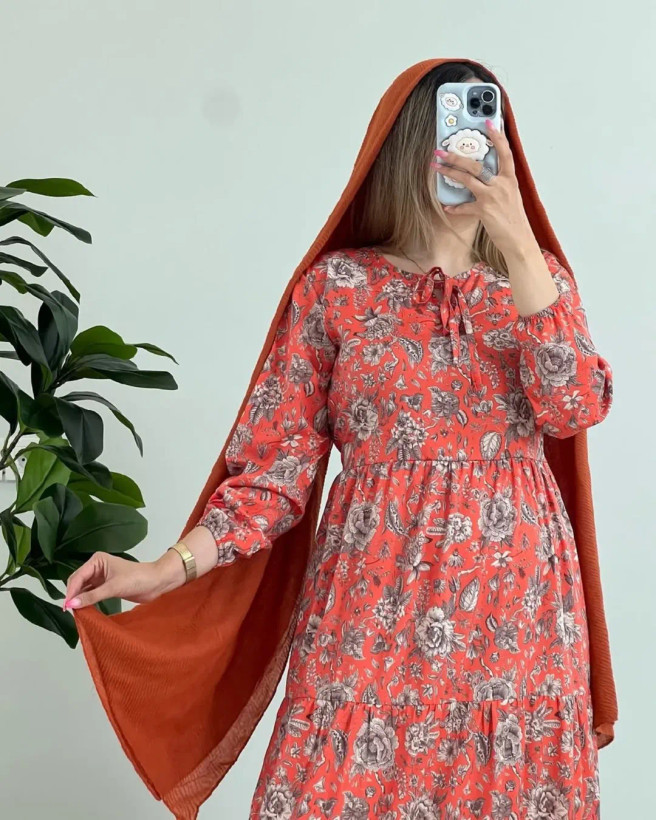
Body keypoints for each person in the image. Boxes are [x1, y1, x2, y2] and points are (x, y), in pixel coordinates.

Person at [67, 59, 617, 819]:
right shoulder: (336, 289)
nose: (471, 150)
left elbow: (574, 406)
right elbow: (273, 472)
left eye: (485, 131)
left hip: (515, 612)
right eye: (451, 132)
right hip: (371, 603)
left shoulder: (537, 283)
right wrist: (166, 569)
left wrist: (520, 245)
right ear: (410, 148)